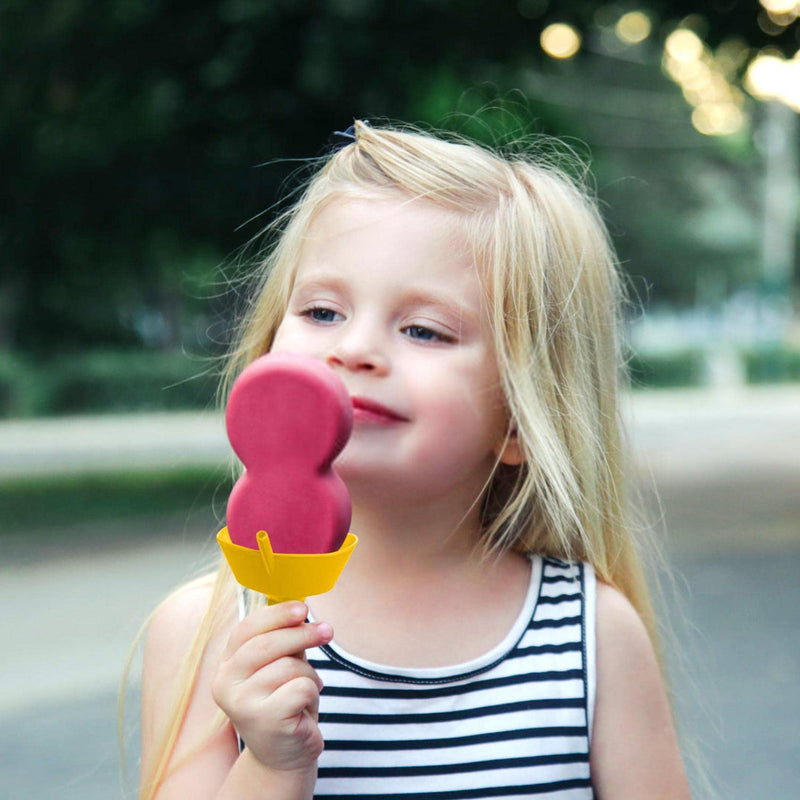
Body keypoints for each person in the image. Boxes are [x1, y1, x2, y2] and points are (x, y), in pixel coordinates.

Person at [138, 121, 691, 799]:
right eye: (320, 311)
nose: (355, 350)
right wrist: (274, 765)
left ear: (523, 418)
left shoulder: (593, 637)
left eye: (424, 329)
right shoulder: (211, 634)